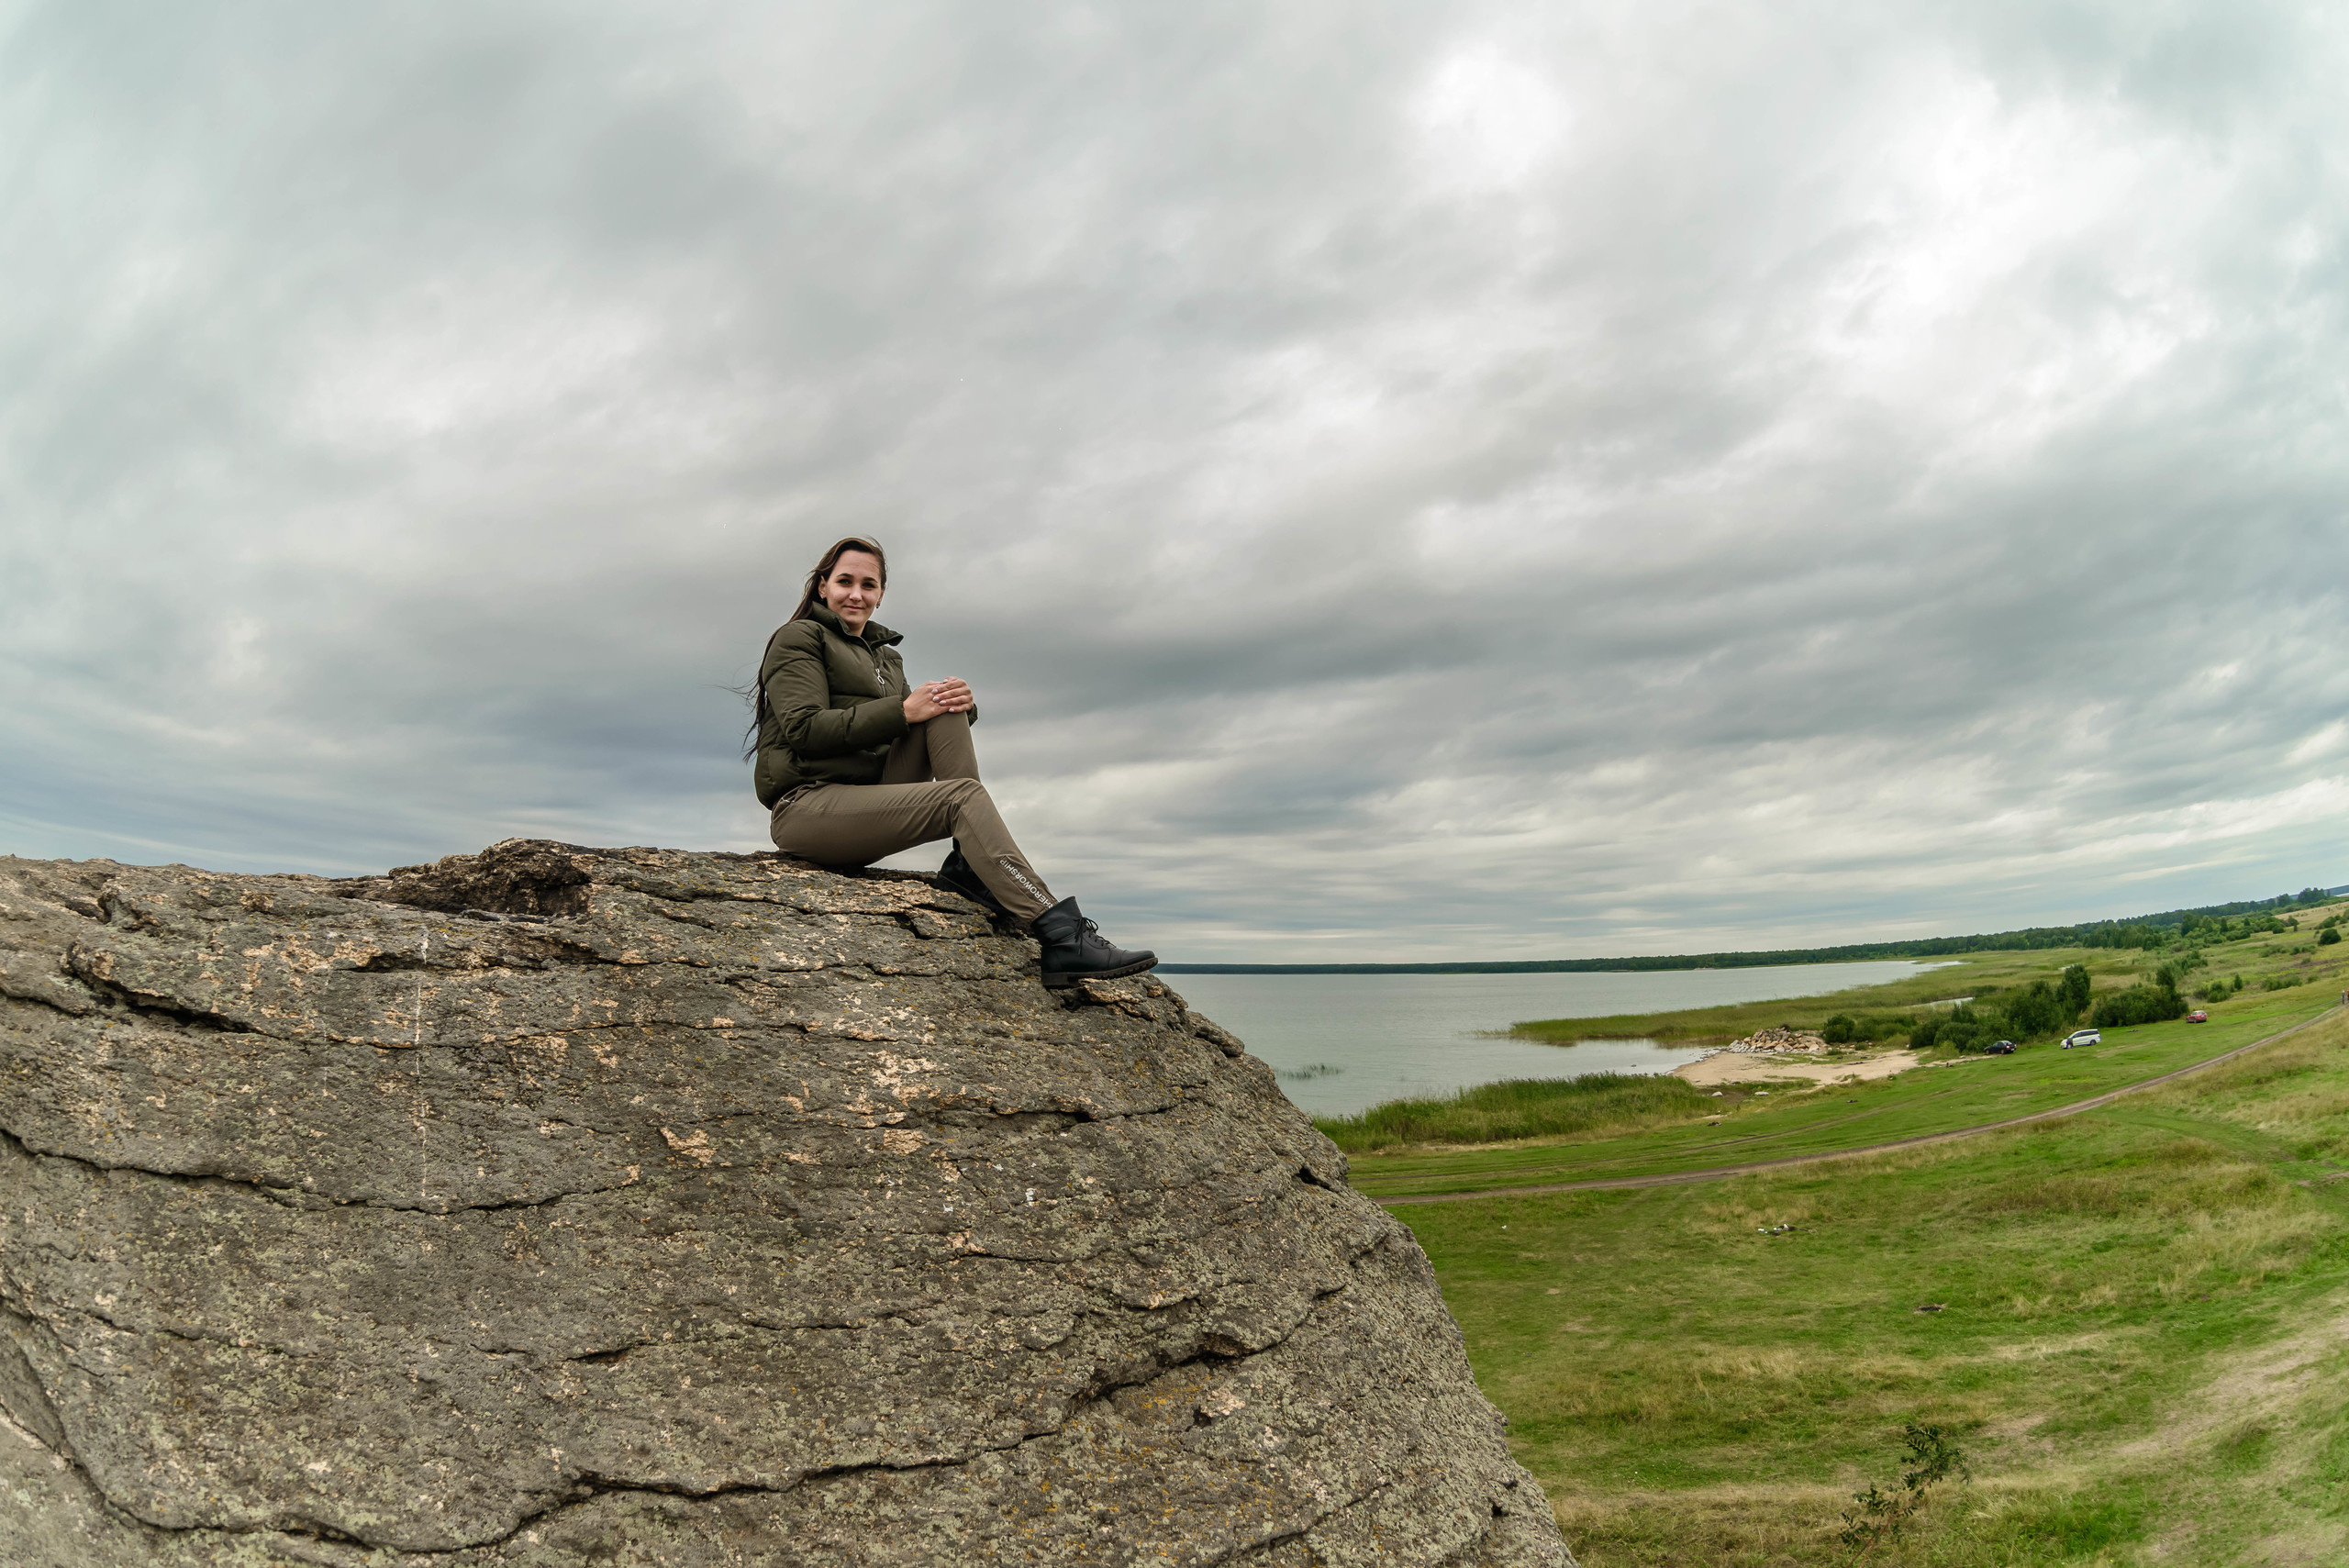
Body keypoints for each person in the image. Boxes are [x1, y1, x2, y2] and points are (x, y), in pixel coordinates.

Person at [748, 536, 1156, 989]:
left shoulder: (886, 657)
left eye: (869, 584)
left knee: (945, 699)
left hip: (868, 796)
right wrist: (904, 711)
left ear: (882, 593)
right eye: (845, 581)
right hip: (808, 807)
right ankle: (1059, 934)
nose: (856, 594)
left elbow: (913, 726)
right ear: (823, 586)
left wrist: (960, 704)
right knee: (961, 795)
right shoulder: (798, 638)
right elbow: (804, 730)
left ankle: (968, 865)